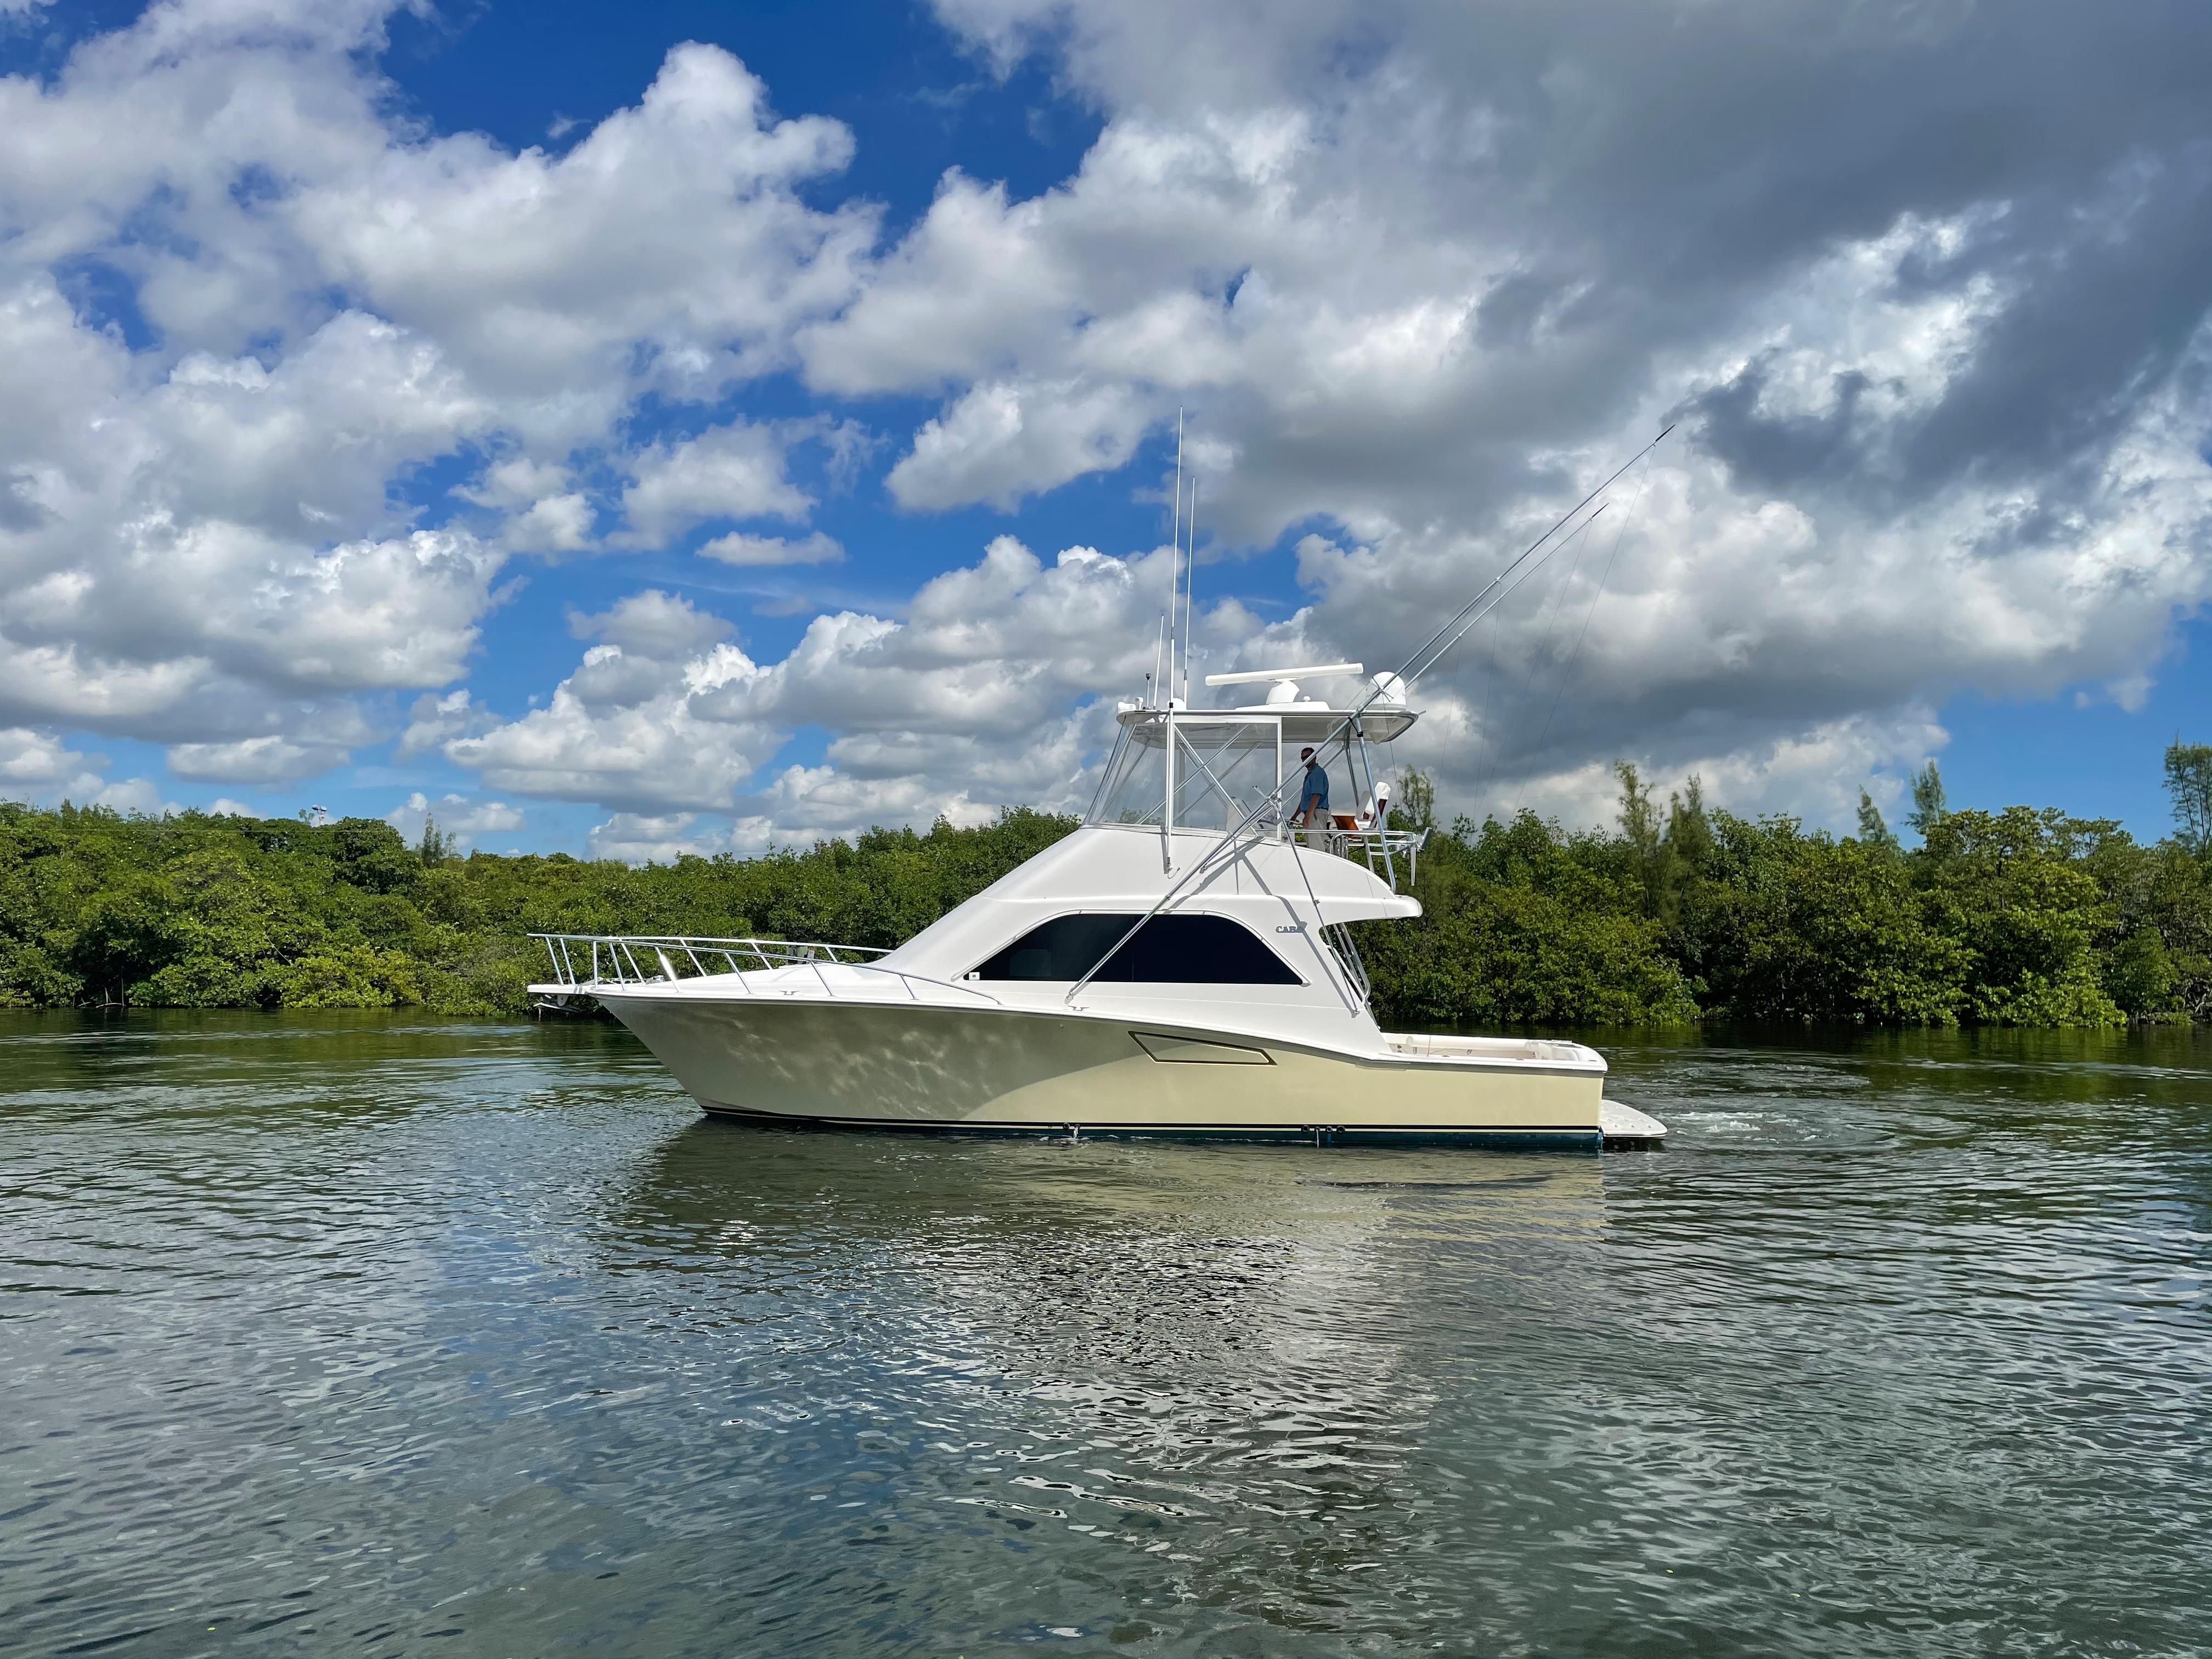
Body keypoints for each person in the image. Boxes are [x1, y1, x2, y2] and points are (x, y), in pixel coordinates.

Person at [1294, 747, 1331, 837]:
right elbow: (1305, 800)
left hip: (1315, 813)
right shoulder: (1310, 774)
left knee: (1316, 846)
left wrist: (1308, 816)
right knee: (1312, 844)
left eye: (1308, 757)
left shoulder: (1317, 773)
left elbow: (1316, 796)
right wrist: (1294, 817)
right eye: (1303, 758)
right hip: (1312, 812)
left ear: (1314, 757)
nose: (1305, 759)